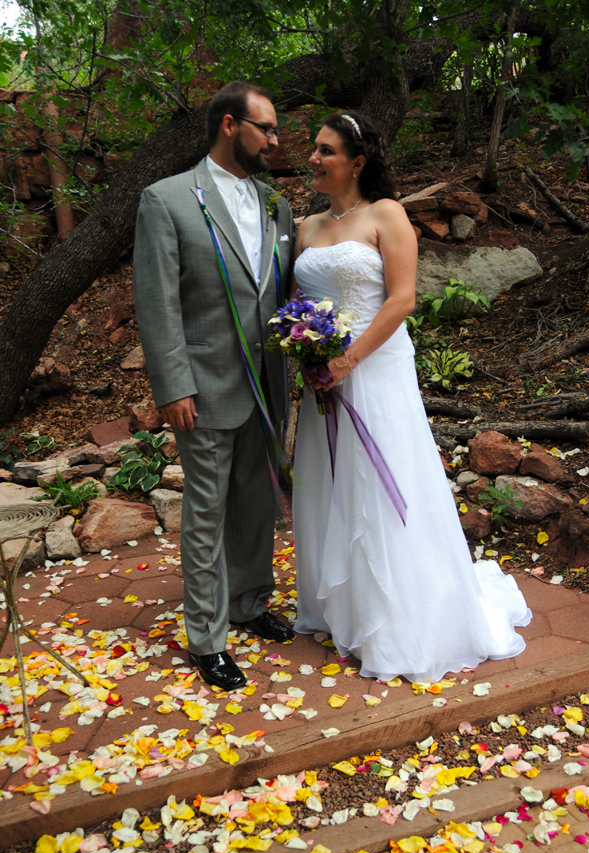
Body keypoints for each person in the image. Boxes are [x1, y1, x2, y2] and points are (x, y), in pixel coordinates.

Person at [292, 111, 531, 682]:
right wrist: (306, 356)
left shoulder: (387, 215)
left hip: (375, 365)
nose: (313, 159)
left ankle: (403, 618)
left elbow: (401, 299)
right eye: (313, 149)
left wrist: (348, 358)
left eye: (325, 151)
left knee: (383, 479)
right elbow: (297, 305)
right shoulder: (306, 227)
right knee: (331, 479)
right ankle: (343, 609)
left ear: (358, 160)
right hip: (324, 372)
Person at [133, 82, 296, 692]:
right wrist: (172, 384)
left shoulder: (275, 205)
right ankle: (206, 637)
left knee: (256, 501)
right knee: (206, 512)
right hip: (202, 387)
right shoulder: (168, 199)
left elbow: (275, 293)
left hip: (266, 383)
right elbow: (157, 303)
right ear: (230, 125)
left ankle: (250, 603)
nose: (276, 141)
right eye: (267, 129)